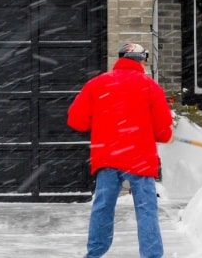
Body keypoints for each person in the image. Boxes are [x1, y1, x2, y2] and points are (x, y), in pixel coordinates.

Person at [67, 42, 173, 258]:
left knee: (103, 207)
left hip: (108, 156)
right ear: (141, 60)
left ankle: (95, 253)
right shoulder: (150, 86)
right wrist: (164, 135)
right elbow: (163, 131)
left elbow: (76, 121)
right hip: (140, 159)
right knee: (146, 210)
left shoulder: (97, 84)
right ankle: (151, 255)